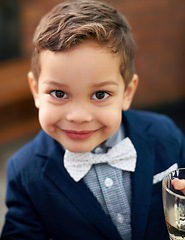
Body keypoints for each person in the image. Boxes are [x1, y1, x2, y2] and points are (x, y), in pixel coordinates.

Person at [1, 0, 185, 239]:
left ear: (127, 93)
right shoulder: (25, 171)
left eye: (100, 95)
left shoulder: (165, 134)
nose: (79, 116)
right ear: (36, 91)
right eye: (59, 93)